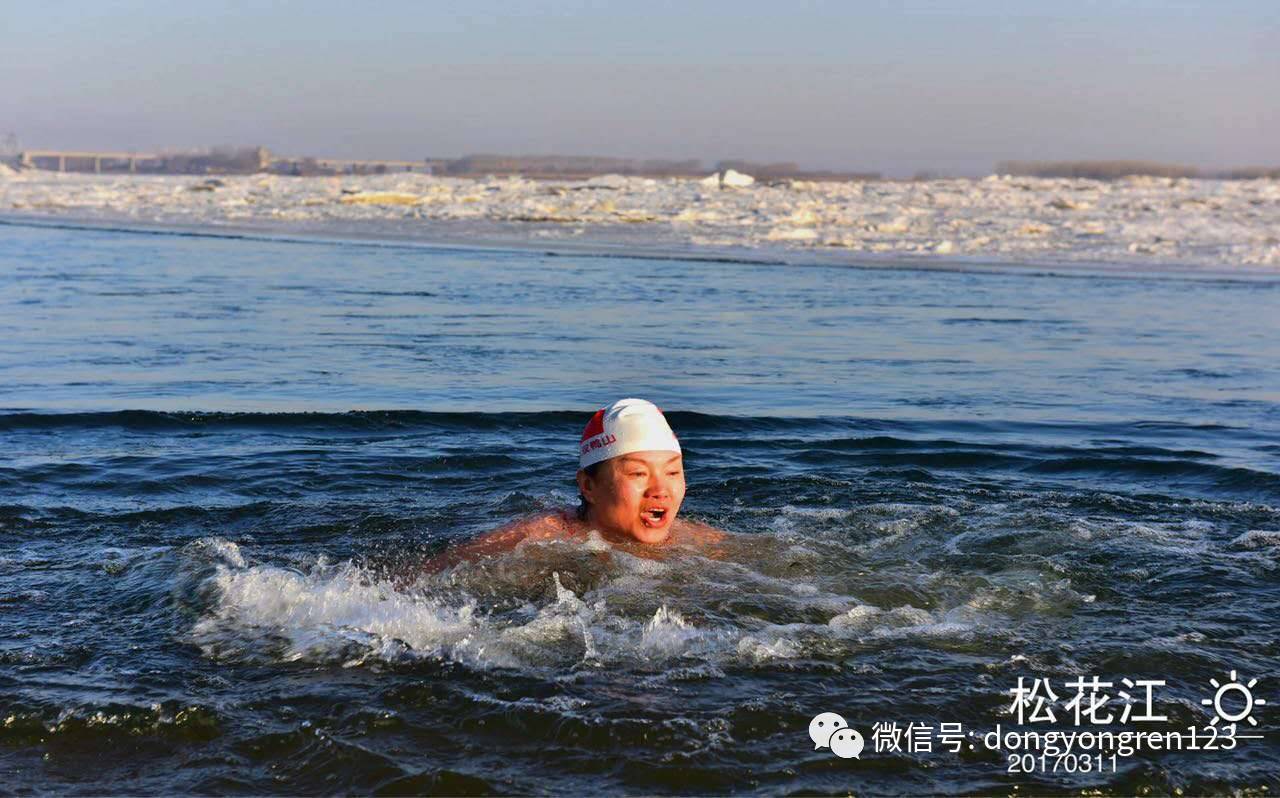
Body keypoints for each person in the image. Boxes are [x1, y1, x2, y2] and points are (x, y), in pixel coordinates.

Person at [422, 398, 725, 573]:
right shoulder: (540, 537)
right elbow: (432, 574)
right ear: (588, 486)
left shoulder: (700, 541)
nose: (660, 490)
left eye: (672, 473)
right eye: (638, 474)